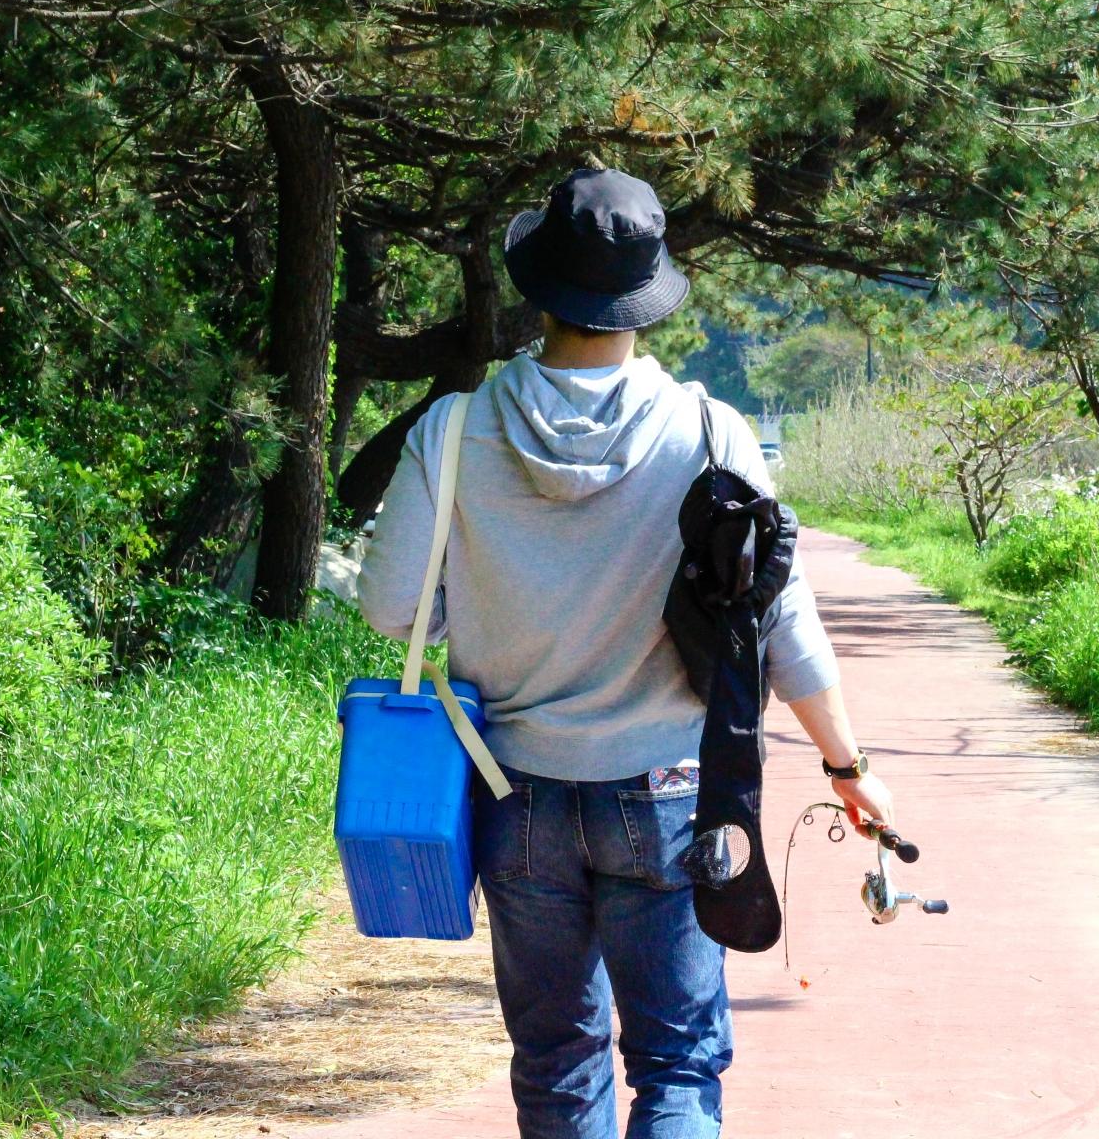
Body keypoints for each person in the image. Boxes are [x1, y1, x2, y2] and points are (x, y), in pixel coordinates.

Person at [356, 167, 895, 1139]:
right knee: (678, 1063)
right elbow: (782, 625)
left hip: (513, 789)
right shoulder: (708, 431)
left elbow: (392, 604)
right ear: (647, 291)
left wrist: (485, 607)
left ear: (541, 285)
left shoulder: (455, 427)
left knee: (558, 1059)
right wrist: (847, 766)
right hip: (671, 789)